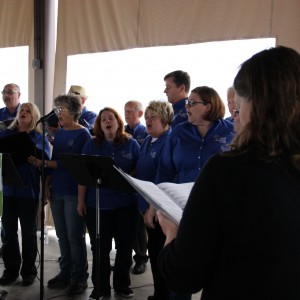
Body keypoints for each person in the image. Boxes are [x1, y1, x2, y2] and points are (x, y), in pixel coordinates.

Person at [157, 46, 300, 300]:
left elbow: (183, 275)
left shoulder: (227, 170)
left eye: (239, 103)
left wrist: (172, 234)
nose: (236, 113)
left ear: (254, 105)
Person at [29, 94, 92, 295]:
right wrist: (47, 183)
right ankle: (65, 272)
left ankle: (79, 277)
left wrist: (44, 163)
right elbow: (55, 161)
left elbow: (73, 165)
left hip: (74, 192)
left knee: (75, 236)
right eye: (56, 110)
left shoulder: (84, 135)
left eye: (61, 110)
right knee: (62, 236)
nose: (57, 114)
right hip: (57, 190)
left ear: (74, 111)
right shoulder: (62, 133)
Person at [77, 107, 140, 299]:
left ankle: (122, 285)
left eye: (111, 118)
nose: (107, 121)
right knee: (100, 249)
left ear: (118, 122)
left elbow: (139, 172)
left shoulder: (132, 144)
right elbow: (83, 176)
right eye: (103, 119)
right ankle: (100, 288)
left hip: (126, 206)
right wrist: (80, 201)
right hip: (98, 206)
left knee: (124, 247)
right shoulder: (91, 144)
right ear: (99, 125)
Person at [0, 102, 51, 286]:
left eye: (27, 111)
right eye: (21, 110)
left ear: (34, 116)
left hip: (28, 192)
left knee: (29, 233)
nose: (23, 113)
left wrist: (39, 161)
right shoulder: (6, 135)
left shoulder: (39, 137)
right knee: (8, 232)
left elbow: (45, 161)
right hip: (8, 190)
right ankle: (11, 269)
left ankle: (29, 271)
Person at [156, 86, 235, 184]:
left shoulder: (232, 131)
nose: (186, 106)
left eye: (191, 103)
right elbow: (164, 170)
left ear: (208, 107)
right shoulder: (178, 132)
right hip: (182, 197)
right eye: (187, 102)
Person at [136, 100, 173, 300]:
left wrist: (152, 207)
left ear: (165, 119)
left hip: (160, 209)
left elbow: (164, 178)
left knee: (161, 254)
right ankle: (159, 293)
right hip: (146, 206)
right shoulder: (148, 141)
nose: (148, 121)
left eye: (153, 117)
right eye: (147, 117)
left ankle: (164, 295)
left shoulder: (169, 140)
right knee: (154, 251)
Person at [124, 100, 149, 275]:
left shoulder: (145, 132)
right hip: (123, 184)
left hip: (139, 184)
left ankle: (141, 259)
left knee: (139, 226)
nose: (126, 114)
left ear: (140, 114)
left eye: (131, 111)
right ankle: (124, 259)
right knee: (126, 225)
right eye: (125, 110)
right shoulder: (122, 131)